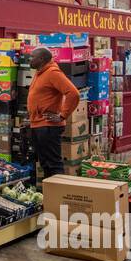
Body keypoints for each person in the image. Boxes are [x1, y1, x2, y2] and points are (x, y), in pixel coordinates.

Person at [26, 46, 81, 180]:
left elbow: (73, 93)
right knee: (46, 163)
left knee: (53, 164)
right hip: (38, 124)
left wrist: (62, 115)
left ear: (42, 59)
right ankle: (50, 195)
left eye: (32, 57)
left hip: (48, 126)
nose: (30, 59)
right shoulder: (40, 73)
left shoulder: (52, 73)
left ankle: (57, 196)